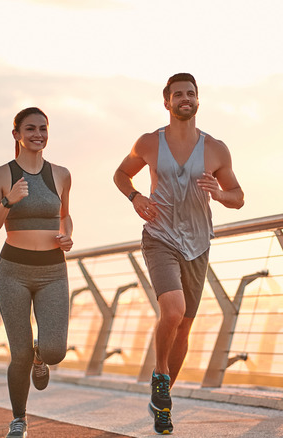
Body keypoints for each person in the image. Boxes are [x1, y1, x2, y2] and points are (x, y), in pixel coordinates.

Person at [114, 73, 244, 434]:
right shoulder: (148, 143)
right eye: (178, 94)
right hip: (160, 238)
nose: (185, 99)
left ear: (198, 100)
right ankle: (160, 374)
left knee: (184, 326)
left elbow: (238, 197)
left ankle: (162, 403)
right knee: (173, 309)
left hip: (198, 245)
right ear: (166, 101)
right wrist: (136, 197)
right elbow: (121, 174)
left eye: (191, 94)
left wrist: (218, 193)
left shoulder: (216, 149)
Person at [0, 107, 73, 438]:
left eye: (43, 128)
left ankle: (41, 358)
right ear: (16, 134)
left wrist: (67, 235)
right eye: (31, 128)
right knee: (18, 352)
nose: (38, 134)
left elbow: (65, 216)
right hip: (13, 272)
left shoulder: (61, 174)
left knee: (54, 350)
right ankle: (19, 419)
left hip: (52, 271)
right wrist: (8, 202)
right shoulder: (1, 174)